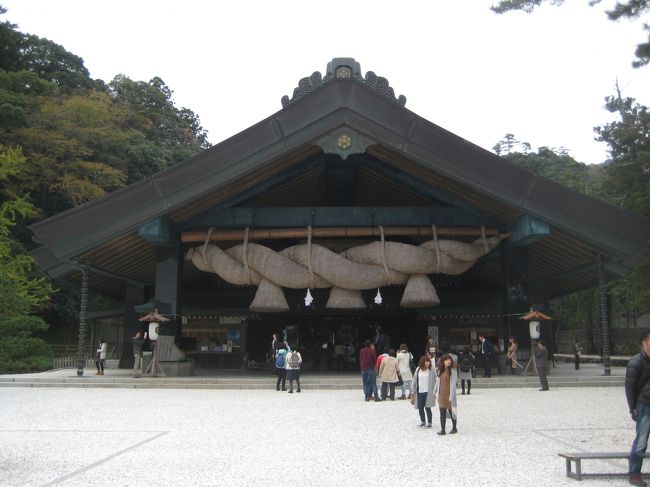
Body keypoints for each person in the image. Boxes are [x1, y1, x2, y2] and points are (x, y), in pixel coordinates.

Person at [626, 331, 650, 487]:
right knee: (641, 441)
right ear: (645, 343)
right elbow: (629, 387)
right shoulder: (635, 362)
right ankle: (634, 473)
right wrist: (632, 407)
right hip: (644, 404)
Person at [434, 354, 458, 435]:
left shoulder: (453, 371)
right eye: (446, 360)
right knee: (442, 412)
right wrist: (435, 391)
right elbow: (437, 381)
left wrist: (452, 396)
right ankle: (443, 430)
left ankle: (454, 428)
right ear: (443, 361)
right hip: (441, 394)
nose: (448, 361)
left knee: (452, 412)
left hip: (449, 394)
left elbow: (453, 384)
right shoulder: (440, 370)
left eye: (450, 360)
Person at [411, 356, 436, 428]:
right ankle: (423, 421)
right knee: (420, 407)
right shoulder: (418, 369)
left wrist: (435, 390)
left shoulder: (432, 370)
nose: (427, 363)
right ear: (422, 362)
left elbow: (436, 379)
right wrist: (413, 389)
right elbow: (414, 380)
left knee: (428, 407)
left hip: (428, 391)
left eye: (428, 361)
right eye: (426, 361)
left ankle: (430, 422)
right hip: (420, 391)